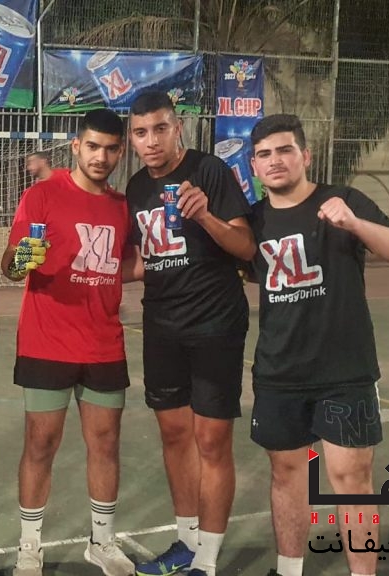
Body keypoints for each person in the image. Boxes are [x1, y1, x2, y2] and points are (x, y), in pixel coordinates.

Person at [246, 114, 389, 576]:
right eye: (264, 154)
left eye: (285, 150)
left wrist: (355, 223)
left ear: (305, 155)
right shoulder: (253, 221)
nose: (275, 160)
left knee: (352, 480)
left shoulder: (344, 200)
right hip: (279, 371)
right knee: (286, 476)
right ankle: (289, 570)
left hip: (345, 371)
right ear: (254, 167)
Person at [126, 92, 255, 576]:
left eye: (160, 129)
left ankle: (208, 559)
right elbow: (145, 260)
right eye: (141, 132)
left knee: (212, 440)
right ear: (132, 138)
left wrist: (204, 215)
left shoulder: (209, 171)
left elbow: (246, 247)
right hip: (161, 326)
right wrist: (77, 265)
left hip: (214, 324)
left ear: (177, 128)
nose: (151, 141)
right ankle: (185, 541)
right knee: (175, 434)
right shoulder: (136, 187)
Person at [3, 108, 136, 576]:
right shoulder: (41, 195)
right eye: (93, 146)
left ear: (121, 152)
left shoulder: (122, 206)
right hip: (47, 341)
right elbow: (11, 267)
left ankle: (101, 542)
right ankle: (29, 547)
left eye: (111, 149)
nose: (101, 156)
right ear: (76, 146)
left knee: (106, 443)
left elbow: (127, 264)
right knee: (40, 443)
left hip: (104, 343)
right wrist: (24, 257)